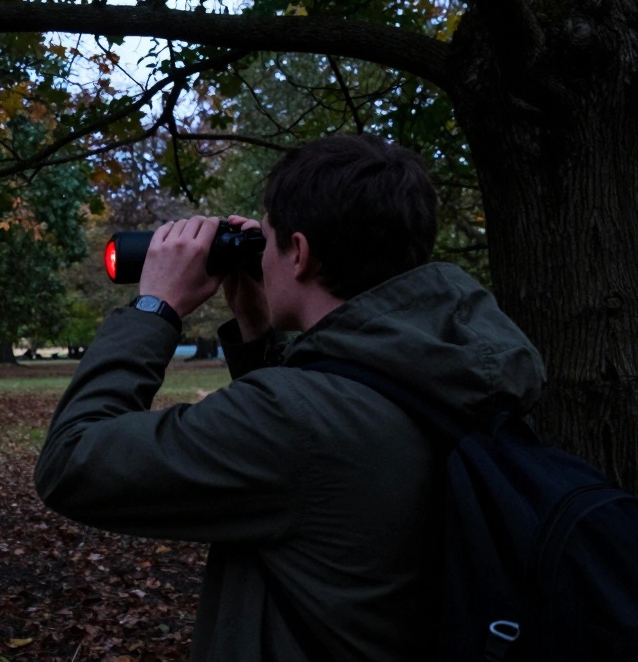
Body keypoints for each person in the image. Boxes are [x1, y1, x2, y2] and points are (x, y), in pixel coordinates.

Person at [33, 134, 545, 661]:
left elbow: (73, 461)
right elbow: (324, 456)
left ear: (298, 253)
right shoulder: (457, 369)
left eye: (269, 239)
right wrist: (257, 333)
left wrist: (154, 307)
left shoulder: (295, 421)